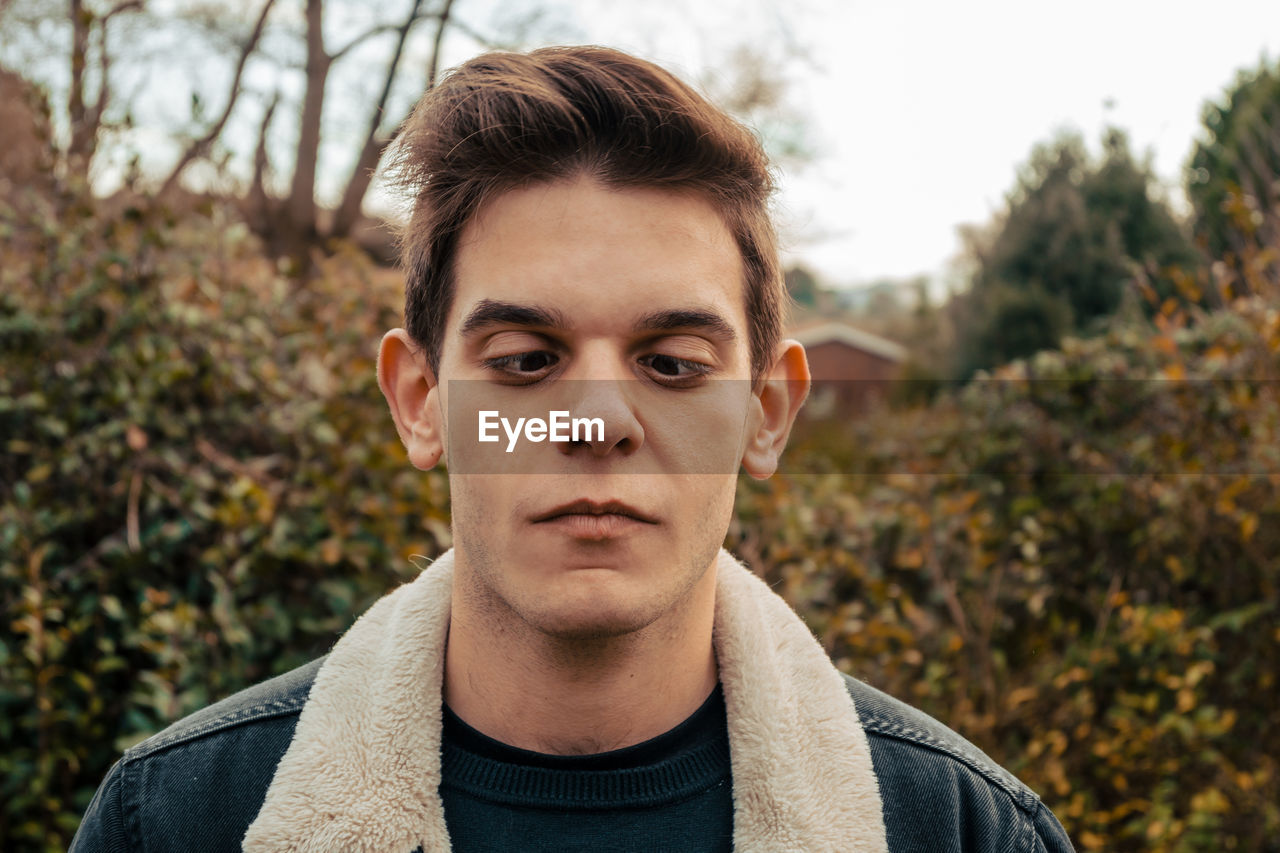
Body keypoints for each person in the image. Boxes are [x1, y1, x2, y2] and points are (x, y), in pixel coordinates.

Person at [71, 46, 1074, 852]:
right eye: (522, 359)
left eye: (673, 364)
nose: (594, 421)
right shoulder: (172, 820)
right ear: (420, 401)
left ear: (766, 413)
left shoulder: (961, 828)